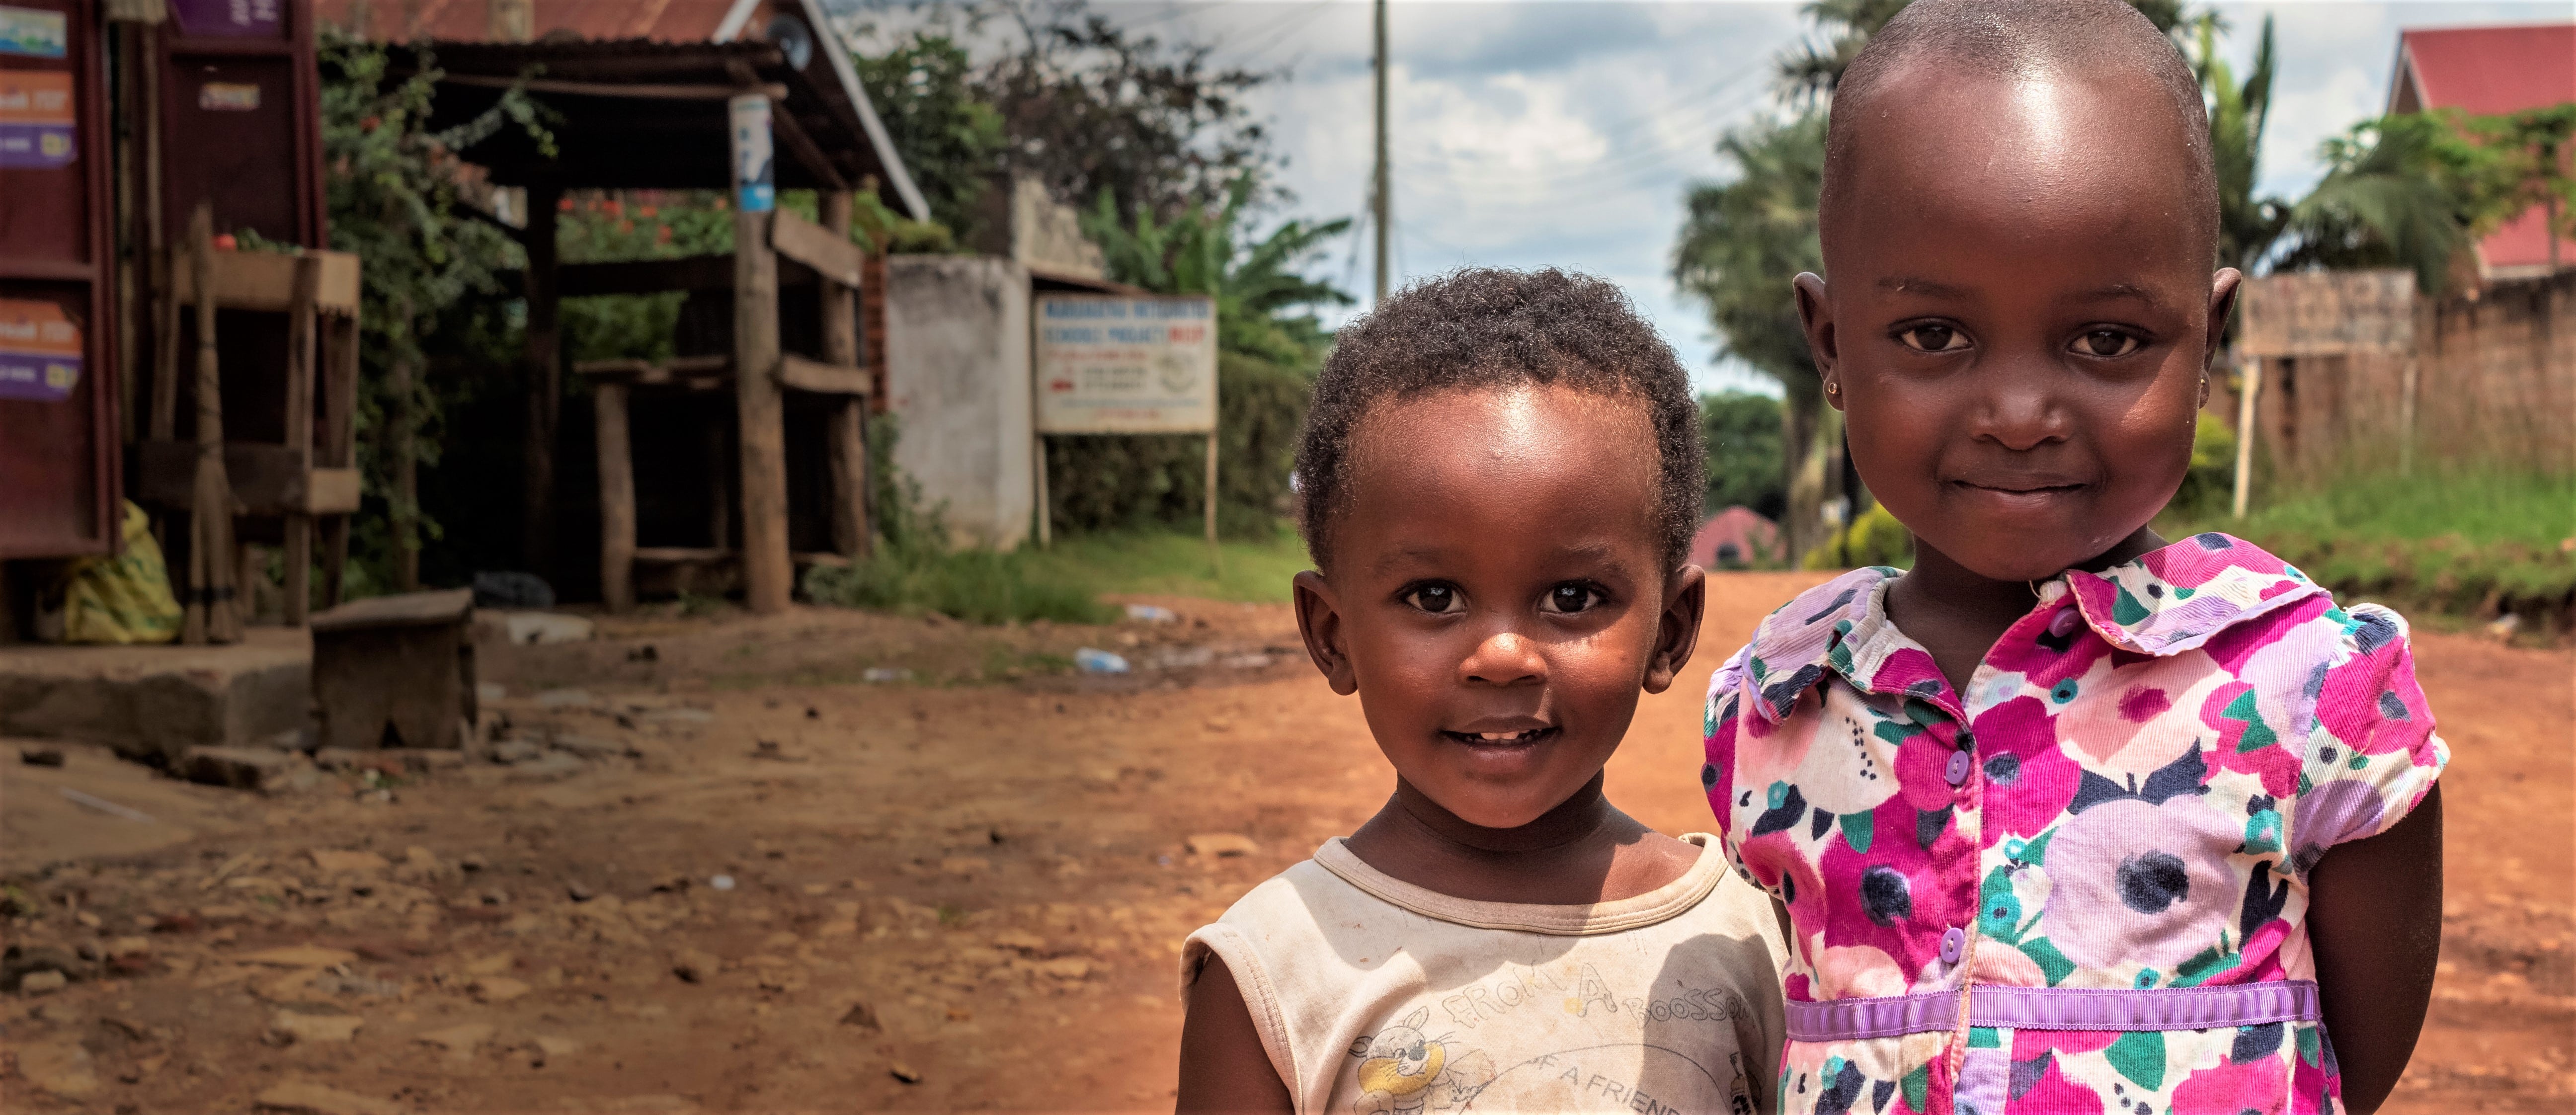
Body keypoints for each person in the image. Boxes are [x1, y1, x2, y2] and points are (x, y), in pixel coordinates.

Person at [1697, 2, 2448, 1113]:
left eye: (2107, 340)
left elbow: (2352, 1064)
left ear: (2210, 342)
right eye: (1933, 336)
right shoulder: (1779, 700)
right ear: (1830, 344)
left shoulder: (2308, 687)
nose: (2016, 412)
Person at [1176, 268, 1788, 1114]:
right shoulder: (1277, 973)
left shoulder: (1745, 941)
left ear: (1671, 631)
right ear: (1332, 634)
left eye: (1572, 599)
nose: (1503, 656)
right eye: (1434, 598)